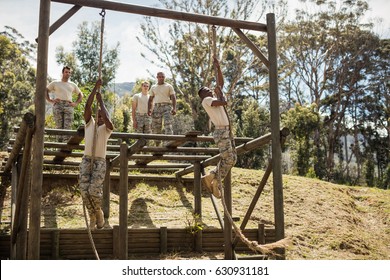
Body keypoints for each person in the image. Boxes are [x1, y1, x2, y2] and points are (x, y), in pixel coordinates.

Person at [198, 58, 237, 199]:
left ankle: (214, 179)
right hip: (221, 131)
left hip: (226, 130)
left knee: (233, 158)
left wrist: (218, 68)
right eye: (207, 90)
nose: (210, 90)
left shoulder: (210, 98)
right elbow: (222, 102)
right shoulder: (206, 101)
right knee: (229, 159)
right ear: (203, 94)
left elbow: (220, 83)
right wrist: (220, 94)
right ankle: (213, 178)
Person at [79, 79, 113, 230]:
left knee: (94, 190)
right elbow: (87, 107)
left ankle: (98, 212)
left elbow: (108, 120)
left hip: (99, 161)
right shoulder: (89, 123)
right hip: (87, 160)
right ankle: (93, 214)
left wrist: (102, 102)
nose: (99, 118)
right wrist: (94, 89)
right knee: (84, 190)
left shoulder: (106, 128)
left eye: (101, 117)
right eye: (97, 116)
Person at [46, 66, 83, 142]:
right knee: (59, 126)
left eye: (69, 72)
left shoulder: (72, 84)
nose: (68, 74)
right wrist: (50, 100)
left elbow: (80, 94)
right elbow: (45, 90)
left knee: (68, 127)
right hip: (58, 105)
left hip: (68, 106)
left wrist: (75, 103)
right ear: (62, 73)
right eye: (66, 72)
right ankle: (59, 147)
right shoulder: (55, 83)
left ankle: (65, 148)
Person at [148, 72, 176, 146]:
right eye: (159, 77)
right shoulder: (153, 87)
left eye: (162, 77)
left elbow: (173, 97)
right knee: (156, 126)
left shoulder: (168, 86)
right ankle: (157, 143)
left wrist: (174, 108)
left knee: (168, 124)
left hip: (167, 106)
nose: (161, 78)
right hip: (157, 107)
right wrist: (149, 110)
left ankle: (169, 142)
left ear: (164, 77)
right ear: (157, 77)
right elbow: (150, 99)